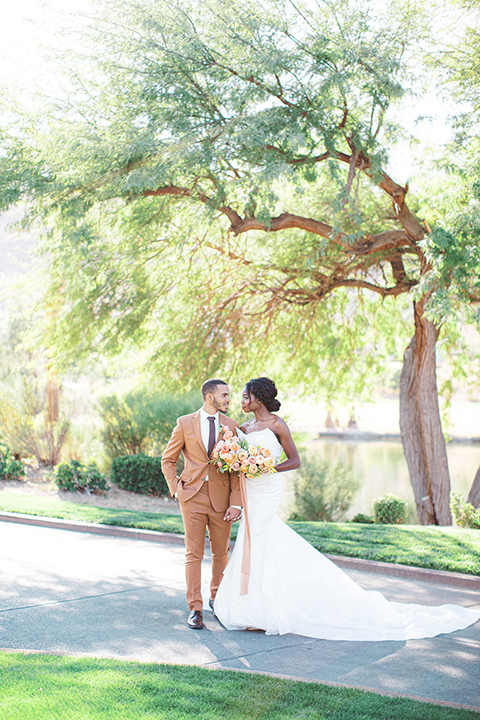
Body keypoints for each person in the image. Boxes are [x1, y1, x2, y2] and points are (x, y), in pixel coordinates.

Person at [213, 377, 480, 641]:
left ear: (258, 399)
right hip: (251, 489)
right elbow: (238, 458)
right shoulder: (244, 428)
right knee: (252, 538)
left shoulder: (277, 425)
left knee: (260, 535)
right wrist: (241, 462)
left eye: (246, 397)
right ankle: (248, 604)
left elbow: (294, 460)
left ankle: (261, 607)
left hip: (268, 486)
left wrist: (268, 467)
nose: (242, 401)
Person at [161, 378, 242, 630]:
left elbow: (237, 469)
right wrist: (176, 489)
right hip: (192, 496)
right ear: (210, 397)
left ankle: (216, 600)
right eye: (225, 395)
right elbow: (167, 460)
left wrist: (236, 503)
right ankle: (195, 608)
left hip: (222, 499)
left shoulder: (232, 426)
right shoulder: (185, 423)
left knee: (221, 553)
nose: (229, 399)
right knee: (193, 553)